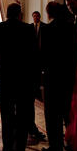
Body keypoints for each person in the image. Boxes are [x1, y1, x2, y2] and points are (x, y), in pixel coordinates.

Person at [0, 3, 36, 151]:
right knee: (23, 116)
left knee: (6, 116)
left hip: (5, 77)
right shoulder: (28, 28)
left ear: (6, 13)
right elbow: (35, 55)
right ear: (20, 14)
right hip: (24, 78)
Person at [41, 2, 75, 151]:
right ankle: (72, 143)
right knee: (68, 112)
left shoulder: (48, 29)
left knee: (52, 114)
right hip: (69, 75)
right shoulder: (72, 27)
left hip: (52, 76)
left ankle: (56, 147)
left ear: (49, 13)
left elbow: (45, 55)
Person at [28, 11, 47, 141]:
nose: (35, 18)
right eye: (34, 16)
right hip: (33, 57)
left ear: (39, 17)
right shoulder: (29, 28)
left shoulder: (45, 27)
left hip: (42, 54)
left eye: (37, 16)